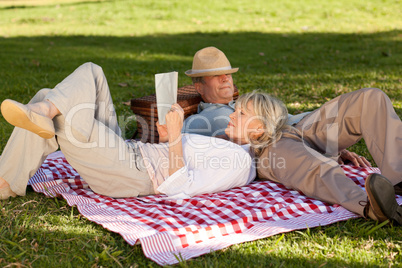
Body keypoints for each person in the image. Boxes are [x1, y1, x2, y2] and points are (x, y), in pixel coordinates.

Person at [0, 62, 260, 200]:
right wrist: (167, 138)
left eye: (242, 113)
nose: (233, 113)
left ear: (260, 130)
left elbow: (178, 187)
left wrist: (176, 137)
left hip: (130, 171)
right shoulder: (229, 144)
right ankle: (40, 117)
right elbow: (180, 158)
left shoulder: (238, 160)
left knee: (60, 108)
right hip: (129, 153)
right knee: (91, 74)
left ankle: (5, 181)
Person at [227, 90, 401, 225]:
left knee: (370, 99)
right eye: (237, 112)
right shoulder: (208, 123)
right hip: (268, 144)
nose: (231, 116)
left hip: (293, 125)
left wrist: (336, 149)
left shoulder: (234, 109)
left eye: (240, 113)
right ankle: (374, 208)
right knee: (318, 168)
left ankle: (399, 176)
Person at [182, 46, 370, 168]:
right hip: (292, 139)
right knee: (364, 108)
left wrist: (335, 147)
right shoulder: (199, 122)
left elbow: (284, 119)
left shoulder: (246, 104)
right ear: (199, 86)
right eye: (216, 75)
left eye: (228, 74)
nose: (225, 78)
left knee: (364, 106)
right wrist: (327, 147)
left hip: (305, 125)